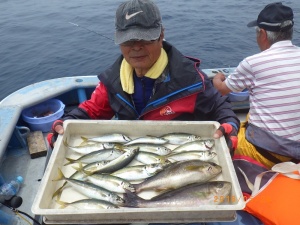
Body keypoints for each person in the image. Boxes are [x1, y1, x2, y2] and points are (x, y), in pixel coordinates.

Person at [47, 0, 240, 153]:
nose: (136, 47)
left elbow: (220, 108)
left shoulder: (191, 81)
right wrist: (65, 124)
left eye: (145, 38)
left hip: (176, 152)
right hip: (130, 154)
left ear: (161, 35)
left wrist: (230, 126)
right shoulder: (112, 81)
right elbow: (92, 111)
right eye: (128, 40)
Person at [213, 2, 300, 169]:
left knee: (225, 142)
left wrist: (217, 78)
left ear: (262, 34)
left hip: (269, 152)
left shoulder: (253, 63)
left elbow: (222, 90)